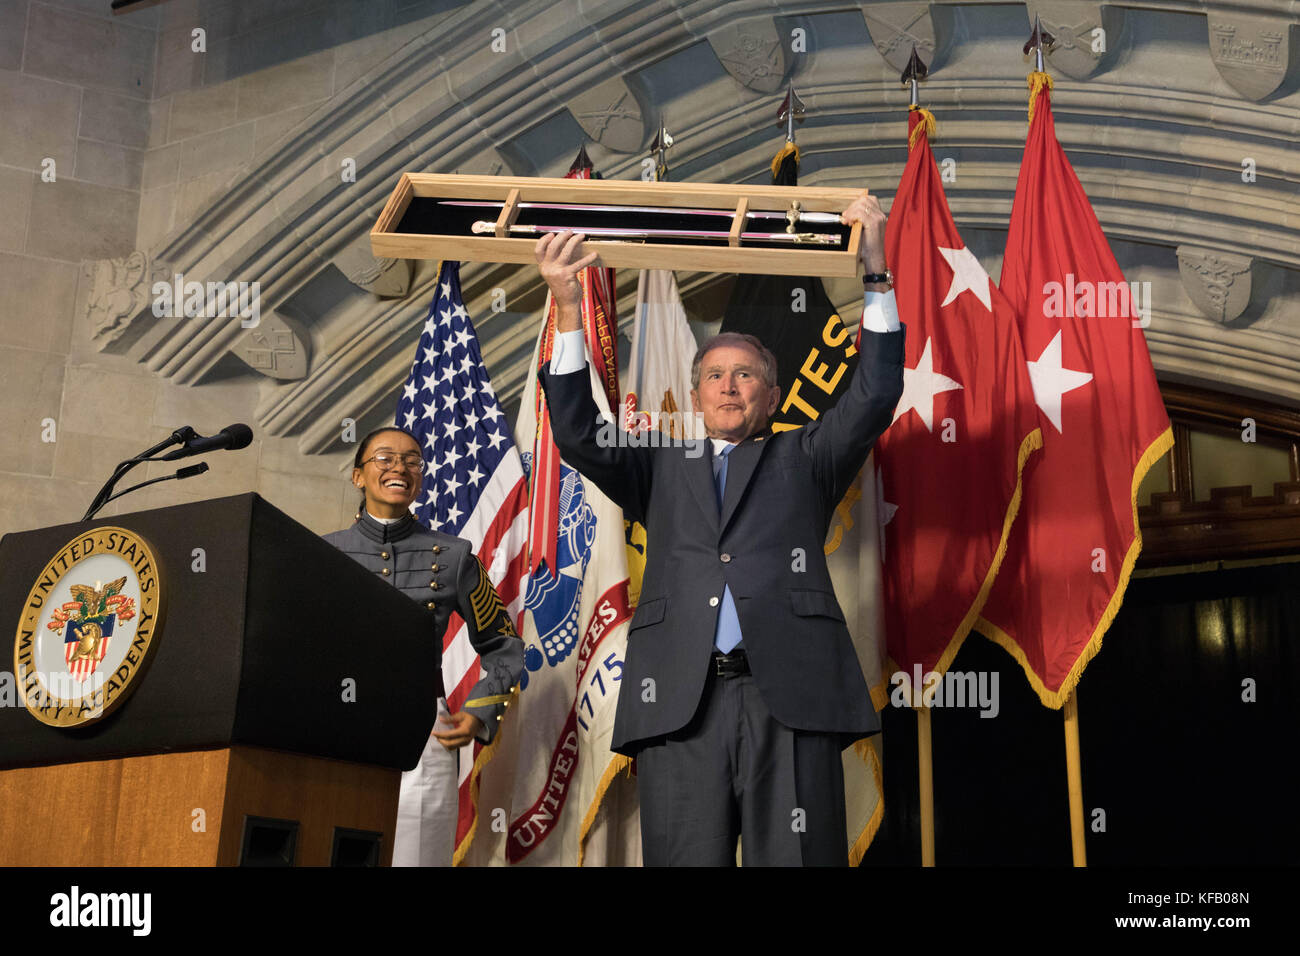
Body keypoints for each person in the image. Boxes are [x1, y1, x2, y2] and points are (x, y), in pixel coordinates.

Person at [535, 190, 904, 866]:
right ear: (698, 394)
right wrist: (565, 311)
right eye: (714, 375)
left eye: (745, 376)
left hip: (788, 697)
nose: (729, 386)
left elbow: (875, 393)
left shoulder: (808, 456)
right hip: (680, 700)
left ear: (771, 394)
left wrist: (874, 268)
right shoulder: (659, 467)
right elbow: (580, 435)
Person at [323, 426, 523, 867]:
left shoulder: (453, 556)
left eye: (412, 460)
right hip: (338, 725)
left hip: (424, 731)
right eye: (385, 458)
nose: (400, 467)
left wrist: (480, 710)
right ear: (358, 476)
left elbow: (505, 645)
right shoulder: (323, 553)